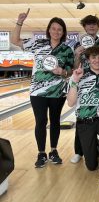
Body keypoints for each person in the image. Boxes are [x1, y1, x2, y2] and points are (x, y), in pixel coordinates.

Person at [11, 9, 74, 168]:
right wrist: (20, 22)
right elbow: (15, 40)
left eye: (60, 29)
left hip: (58, 91)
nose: (56, 31)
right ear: (49, 30)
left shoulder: (67, 50)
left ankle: (53, 151)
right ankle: (41, 153)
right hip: (37, 91)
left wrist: (63, 71)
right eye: (53, 28)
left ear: (63, 32)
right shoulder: (38, 43)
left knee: (54, 121)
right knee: (40, 121)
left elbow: (71, 70)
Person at [67, 46, 99, 188]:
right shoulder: (78, 76)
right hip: (85, 122)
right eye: (93, 57)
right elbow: (70, 103)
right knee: (91, 166)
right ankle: (94, 149)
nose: (97, 60)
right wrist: (75, 80)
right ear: (88, 60)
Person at [70, 15, 99, 164]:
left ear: (98, 26)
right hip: (84, 80)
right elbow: (75, 66)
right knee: (83, 116)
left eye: (94, 24)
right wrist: (77, 55)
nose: (91, 27)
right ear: (84, 27)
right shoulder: (78, 44)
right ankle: (79, 151)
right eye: (88, 25)